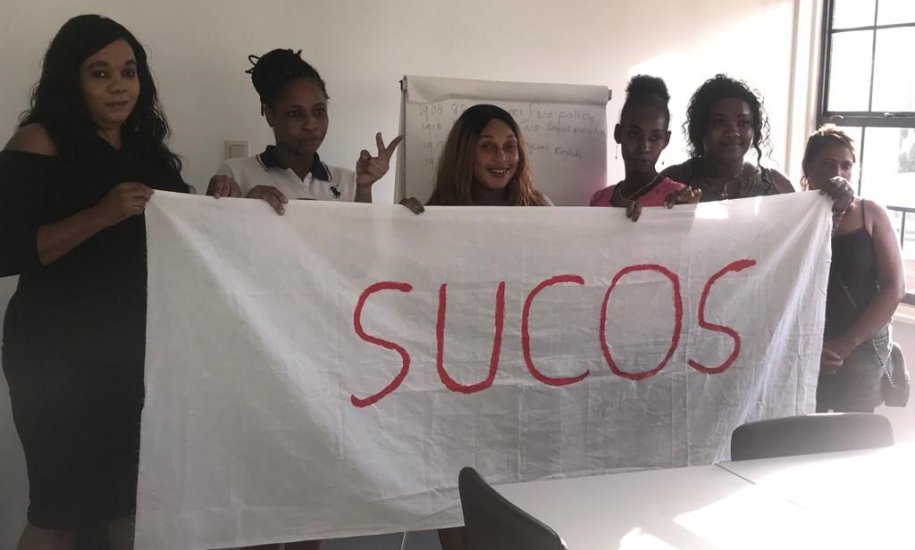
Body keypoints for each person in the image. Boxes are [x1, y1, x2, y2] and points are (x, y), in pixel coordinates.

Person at [0, 14, 190, 550]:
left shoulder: (146, 150)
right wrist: (101, 215)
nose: (118, 86)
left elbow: (185, 231)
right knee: (58, 511)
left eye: (128, 72)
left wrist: (223, 198)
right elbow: (7, 250)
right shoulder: (39, 140)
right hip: (55, 357)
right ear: (72, 79)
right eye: (99, 73)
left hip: (134, 352)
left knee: (131, 505)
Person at [206, 49, 400, 214]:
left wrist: (364, 188)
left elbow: (362, 248)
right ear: (270, 115)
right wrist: (246, 207)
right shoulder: (236, 173)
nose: (311, 124)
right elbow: (216, 247)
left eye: (319, 111)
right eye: (295, 113)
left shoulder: (350, 181)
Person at [801, 125, 905, 412]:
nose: (838, 172)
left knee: (855, 440)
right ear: (807, 169)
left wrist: (845, 344)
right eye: (827, 163)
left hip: (860, 352)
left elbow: (894, 288)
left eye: (846, 165)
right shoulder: (794, 216)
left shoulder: (870, 213)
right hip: (806, 350)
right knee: (802, 440)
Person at [660, 74, 794, 201]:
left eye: (743, 123)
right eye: (719, 122)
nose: (733, 132)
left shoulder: (776, 187)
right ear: (701, 127)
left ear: (754, 129)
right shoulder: (672, 182)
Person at [589, 75, 700, 220]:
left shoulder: (677, 198)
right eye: (634, 135)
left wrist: (682, 215)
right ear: (618, 134)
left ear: (666, 140)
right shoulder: (598, 200)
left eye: (655, 138)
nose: (644, 147)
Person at [427, 103, 551, 207]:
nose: (501, 157)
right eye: (487, 146)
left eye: (509, 146)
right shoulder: (438, 209)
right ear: (464, 153)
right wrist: (409, 219)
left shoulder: (539, 206)